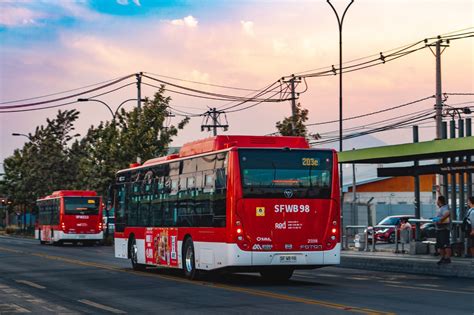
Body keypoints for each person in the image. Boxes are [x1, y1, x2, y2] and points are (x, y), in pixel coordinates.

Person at [433, 196, 451, 265]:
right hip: (439, 229)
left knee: (445, 244)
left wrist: (440, 220)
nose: (436, 202)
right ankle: (443, 258)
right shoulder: (441, 208)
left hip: (444, 229)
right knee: (440, 245)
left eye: (437, 200)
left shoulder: (444, 208)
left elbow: (447, 213)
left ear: (439, 201)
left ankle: (447, 258)